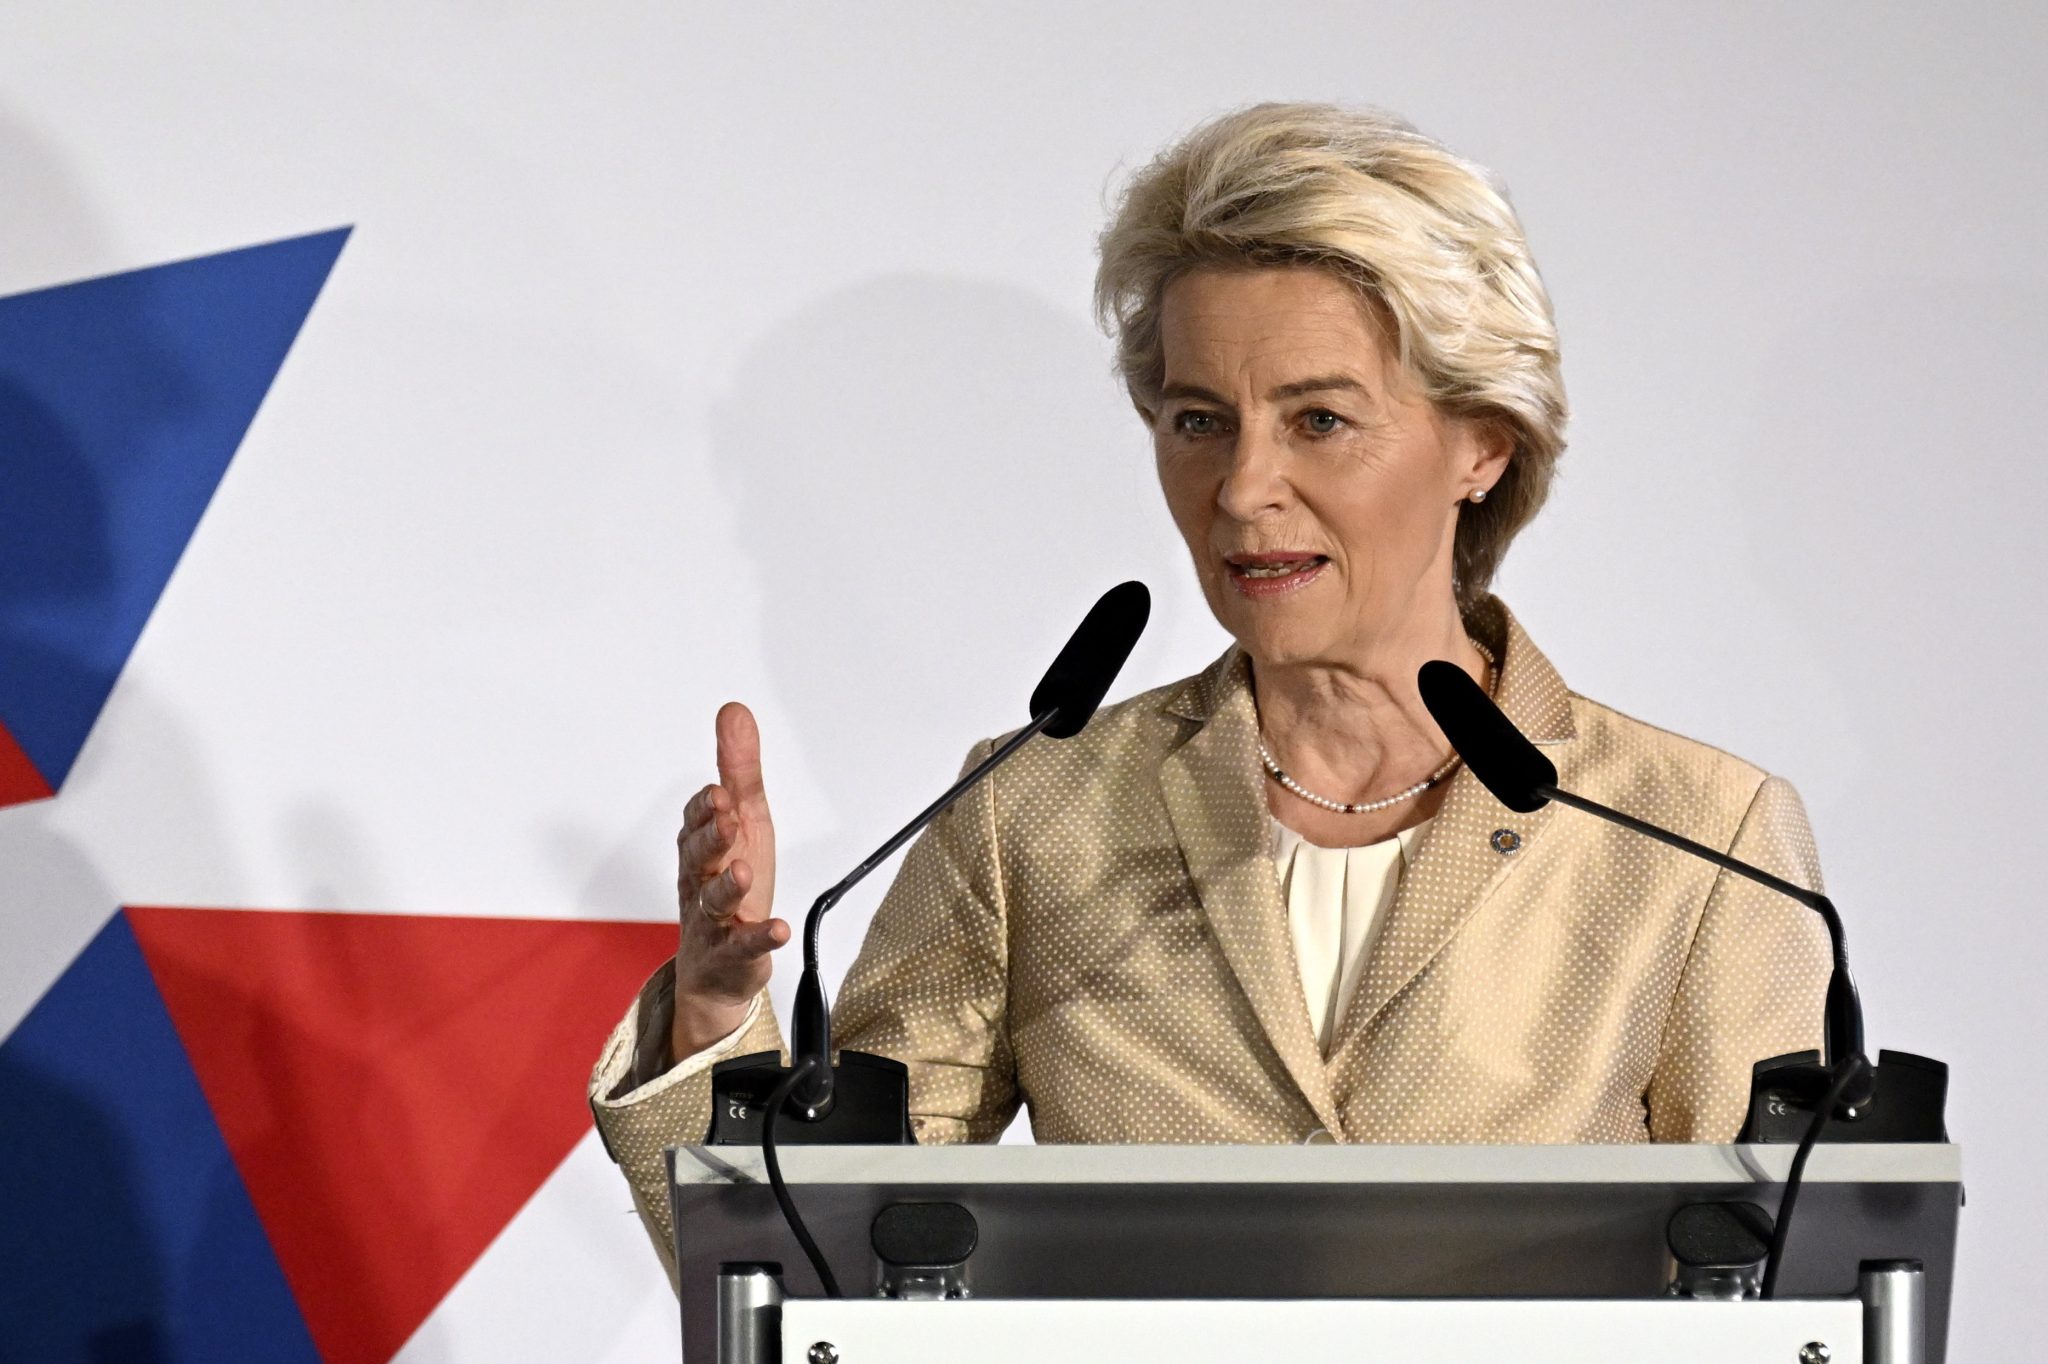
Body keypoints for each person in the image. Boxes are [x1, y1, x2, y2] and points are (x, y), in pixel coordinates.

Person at [587, 102, 1831, 1283]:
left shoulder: (1691, 835)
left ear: (1481, 443)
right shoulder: (1032, 808)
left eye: (1318, 419)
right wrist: (714, 1015)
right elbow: (828, 1272)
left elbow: (1786, 1293)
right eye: (1196, 420)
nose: (1241, 487)